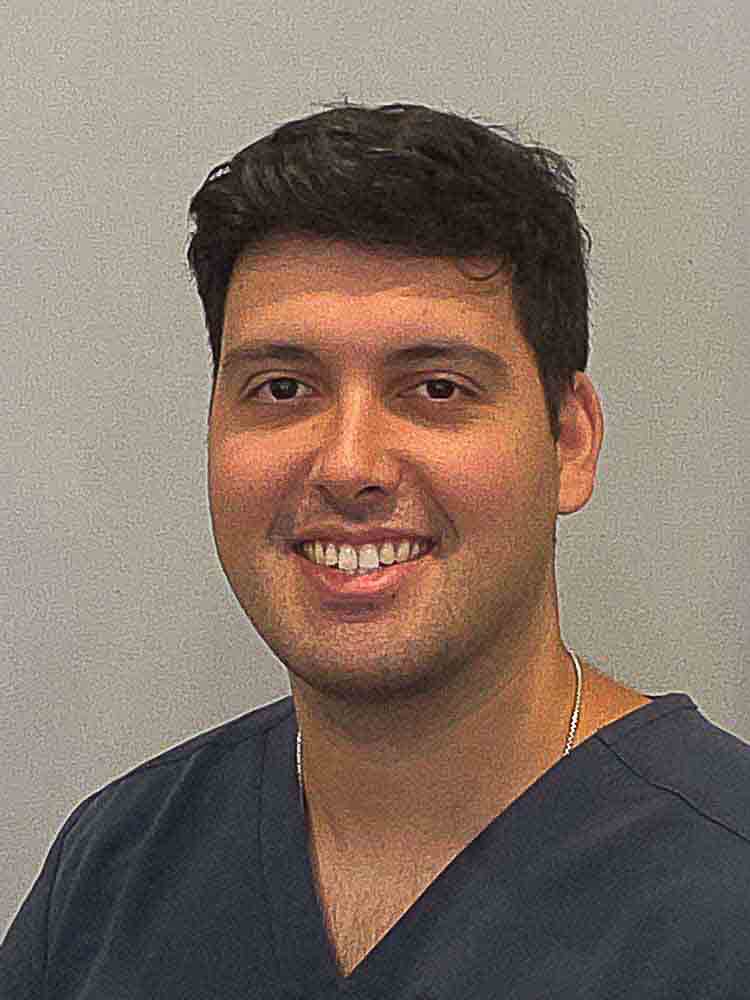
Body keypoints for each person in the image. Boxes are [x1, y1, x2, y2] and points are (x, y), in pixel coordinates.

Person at [2, 102, 749, 998]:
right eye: (283, 388)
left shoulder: (723, 891)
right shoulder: (112, 876)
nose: (349, 465)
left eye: (436, 388)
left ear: (570, 442)